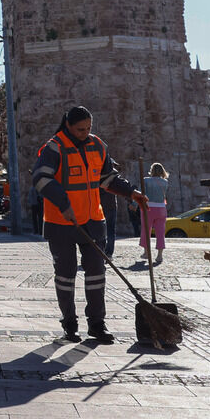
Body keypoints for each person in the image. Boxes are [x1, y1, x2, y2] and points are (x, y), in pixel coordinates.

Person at [31, 106, 147, 344]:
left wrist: (131, 192)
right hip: (61, 222)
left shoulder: (98, 146)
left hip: (94, 220)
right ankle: (70, 324)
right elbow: (41, 179)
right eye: (80, 129)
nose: (85, 133)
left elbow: (107, 179)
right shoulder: (54, 147)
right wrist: (64, 203)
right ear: (68, 126)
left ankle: (97, 324)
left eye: (88, 128)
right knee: (66, 275)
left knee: (96, 274)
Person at [141, 162, 170, 264]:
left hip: (148, 208)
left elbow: (142, 195)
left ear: (152, 170)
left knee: (146, 230)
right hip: (161, 208)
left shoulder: (146, 180)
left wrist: (135, 205)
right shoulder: (165, 182)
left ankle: (146, 253)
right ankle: (159, 256)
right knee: (160, 232)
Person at [101, 184, 117, 256]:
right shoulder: (112, 179)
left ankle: (102, 250)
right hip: (111, 205)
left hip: (101, 206)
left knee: (101, 230)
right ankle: (109, 253)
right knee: (110, 230)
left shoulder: (98, 177)